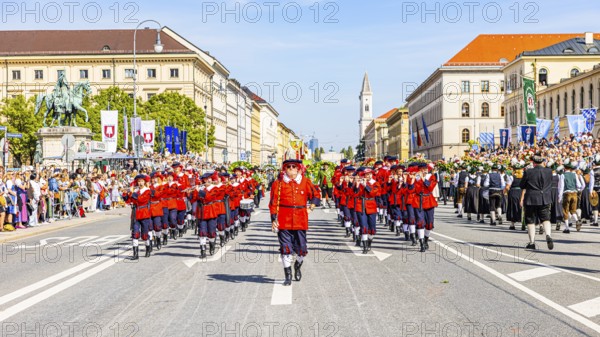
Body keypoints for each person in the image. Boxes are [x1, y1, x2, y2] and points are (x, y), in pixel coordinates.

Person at [270, 159, 320, 286]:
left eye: (293, 166)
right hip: (283, 219)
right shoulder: (278, 183)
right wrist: (273, 220)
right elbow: (273, 203)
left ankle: (297, 265)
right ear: (285, 169)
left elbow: (316, 194)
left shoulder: (305, 181)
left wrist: (311, 207)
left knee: (302, 249)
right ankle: (288, 275)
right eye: (288, 167)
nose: (291, 168)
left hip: (300, 219)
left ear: (298, 169)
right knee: (285, 248)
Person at [519, 154, 554, 250]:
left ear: (533, 163)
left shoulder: (528, 172)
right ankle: (548, 235)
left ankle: (532, 242)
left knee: (530, 220)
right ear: (542, 162)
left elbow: (522, 185)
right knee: (545, 218)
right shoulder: (549, 171)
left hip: (531, 199)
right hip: (544, 198)